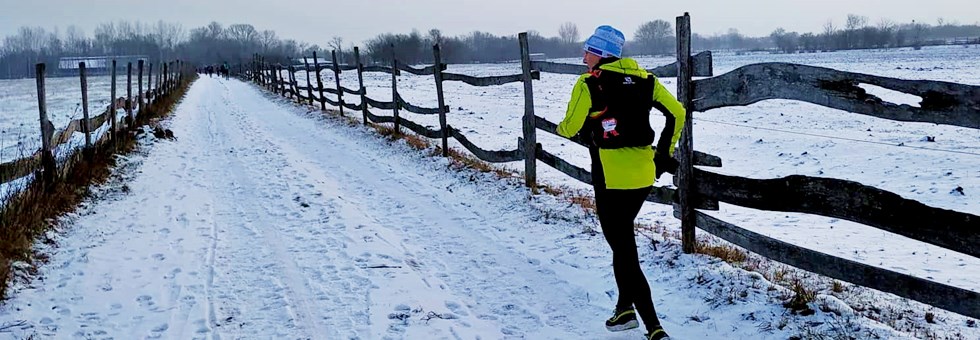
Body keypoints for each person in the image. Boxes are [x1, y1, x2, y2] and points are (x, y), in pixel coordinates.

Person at [557, 25, 685, 340]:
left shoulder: (589, 83)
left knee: (624, 250)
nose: (583, 56)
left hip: (609, 178)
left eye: (587, 50)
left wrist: (564, 129)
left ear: (599, 54)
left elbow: (570, 125)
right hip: (643, 176)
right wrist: (663, 157)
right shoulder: (646, 80)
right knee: (621, 242)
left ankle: (655, 328)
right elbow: (677, 113)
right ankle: (624, 310)